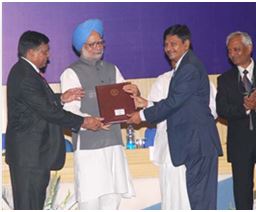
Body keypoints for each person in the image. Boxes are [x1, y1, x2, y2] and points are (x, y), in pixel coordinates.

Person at [5, 31, 106, 210]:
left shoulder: (25, 71)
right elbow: (48, 112)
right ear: (31, 53)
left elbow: (38, 104)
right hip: (29, 158)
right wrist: (84, 122)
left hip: (33, 157)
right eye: (45, 52)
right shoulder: (26, 75)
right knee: (29, 206)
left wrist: (61, 98)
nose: (48, 56)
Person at [127, 24, 223, 210]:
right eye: (166, 44)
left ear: (186, 44)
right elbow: (178, 106)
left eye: (174, 44)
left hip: (198, 144)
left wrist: (142, 115)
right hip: (191, 145)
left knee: (200, 202)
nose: (169, 48)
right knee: (197, 200)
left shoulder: (188, 68)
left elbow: (173, 103)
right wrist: (147, 105)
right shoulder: (183, 67)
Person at [60, 19, 135, 210]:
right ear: (81, 47)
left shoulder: (112, 68)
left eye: (100, 42)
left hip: (113, 144)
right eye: (92, 44)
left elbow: (125, 100)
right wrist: (90, 121)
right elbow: (70, 111)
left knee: (112, 200)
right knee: (90, 203)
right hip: (88, 148)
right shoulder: (71, 73)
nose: (97, 47)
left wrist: (133, 94)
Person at [216, 31, 256, 210]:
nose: (233, 54)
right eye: (229, 51)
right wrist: (244, 107)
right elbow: (222, 109)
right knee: (242, 192)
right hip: (240, 144)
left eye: (237, 49)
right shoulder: (225, 79)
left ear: (249, 48)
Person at [147, 66, 218, 209]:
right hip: (170, 151)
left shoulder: (201, 79)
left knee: (198, 201)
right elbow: (151, 112)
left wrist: (180, 112)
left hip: (197, 149)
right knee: (173, 200)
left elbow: (213, 112)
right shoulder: (163, 81)